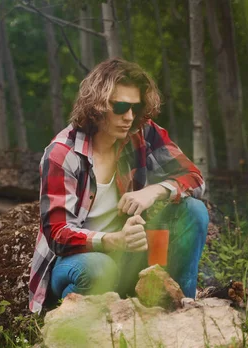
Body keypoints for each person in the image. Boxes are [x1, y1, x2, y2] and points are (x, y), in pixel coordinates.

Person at [28, 58, 208, 314]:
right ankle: (70, 324)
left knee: (194, 211)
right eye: (121, 106)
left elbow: (195, 177)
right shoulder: (62, 154)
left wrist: (154, 190)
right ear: (97, 105)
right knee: (100, 269)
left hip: (131, 255)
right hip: (77, 262)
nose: (129, 117)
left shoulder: (142, 133)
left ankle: (177, 312)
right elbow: (57, 235)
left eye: (135, 107)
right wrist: (113, 240)